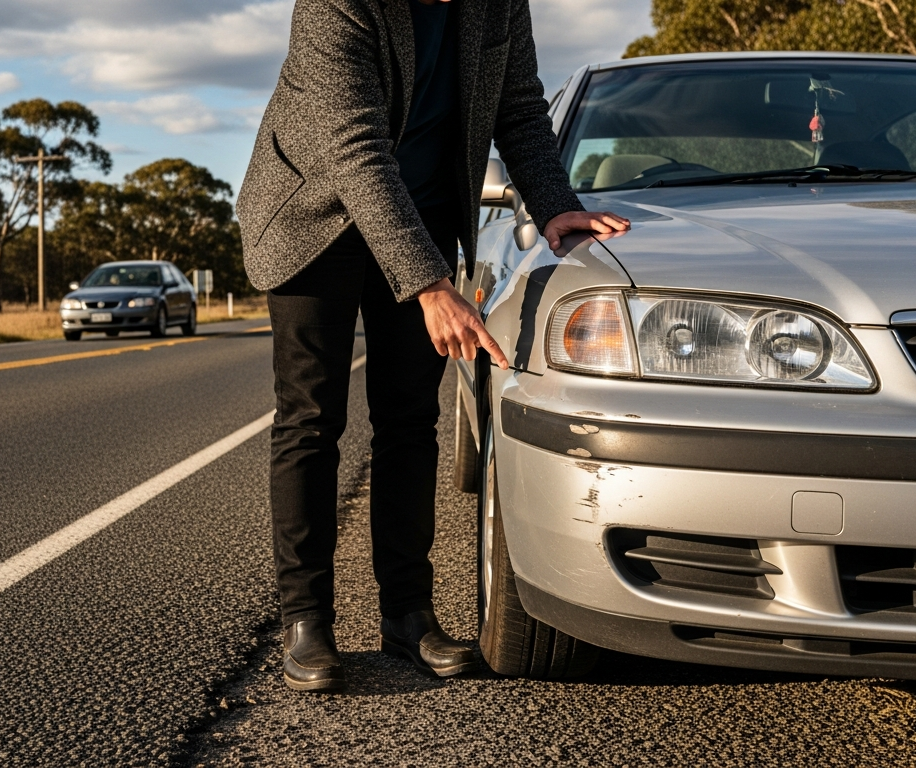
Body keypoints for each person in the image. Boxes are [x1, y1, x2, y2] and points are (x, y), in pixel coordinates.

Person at [236, 0, 629, 693]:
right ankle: (307, 622)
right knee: (311, 416)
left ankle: (407, 616)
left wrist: (554, 201)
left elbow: (519, 105)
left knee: (410, 418)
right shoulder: (335, 4)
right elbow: (356, 149)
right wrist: (429, 286)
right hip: (313, 214)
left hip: (421, 210)